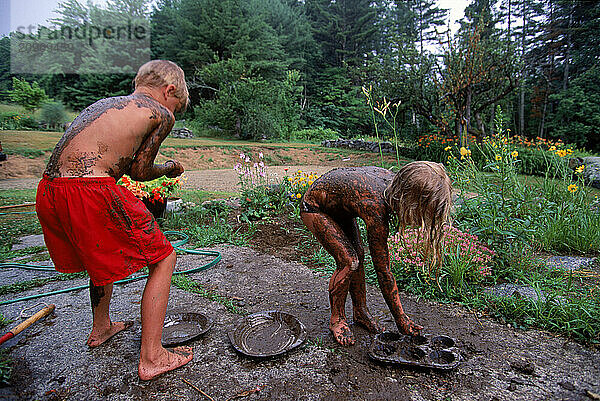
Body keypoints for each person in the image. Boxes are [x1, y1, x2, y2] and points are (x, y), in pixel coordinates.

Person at [35, 60, 192, 380]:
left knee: (98, 255)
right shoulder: (161, 112)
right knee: (164, 258)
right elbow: (140, 171)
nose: (174, 110)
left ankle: (102, 327)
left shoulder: (106, 104)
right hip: (89, 189)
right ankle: (153, 356)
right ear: (170, 90)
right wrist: (170, 168)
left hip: (50, 189)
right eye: (177, 104)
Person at [300, 162, 452, 346]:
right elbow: (383, 271)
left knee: (358, 257)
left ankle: (360, 312)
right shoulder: (375, 204)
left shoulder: (394, 185)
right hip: (315, 208)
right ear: (410, 199)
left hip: (341, 209)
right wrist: (401, 318)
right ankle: (337, 319)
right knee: (349, 262)